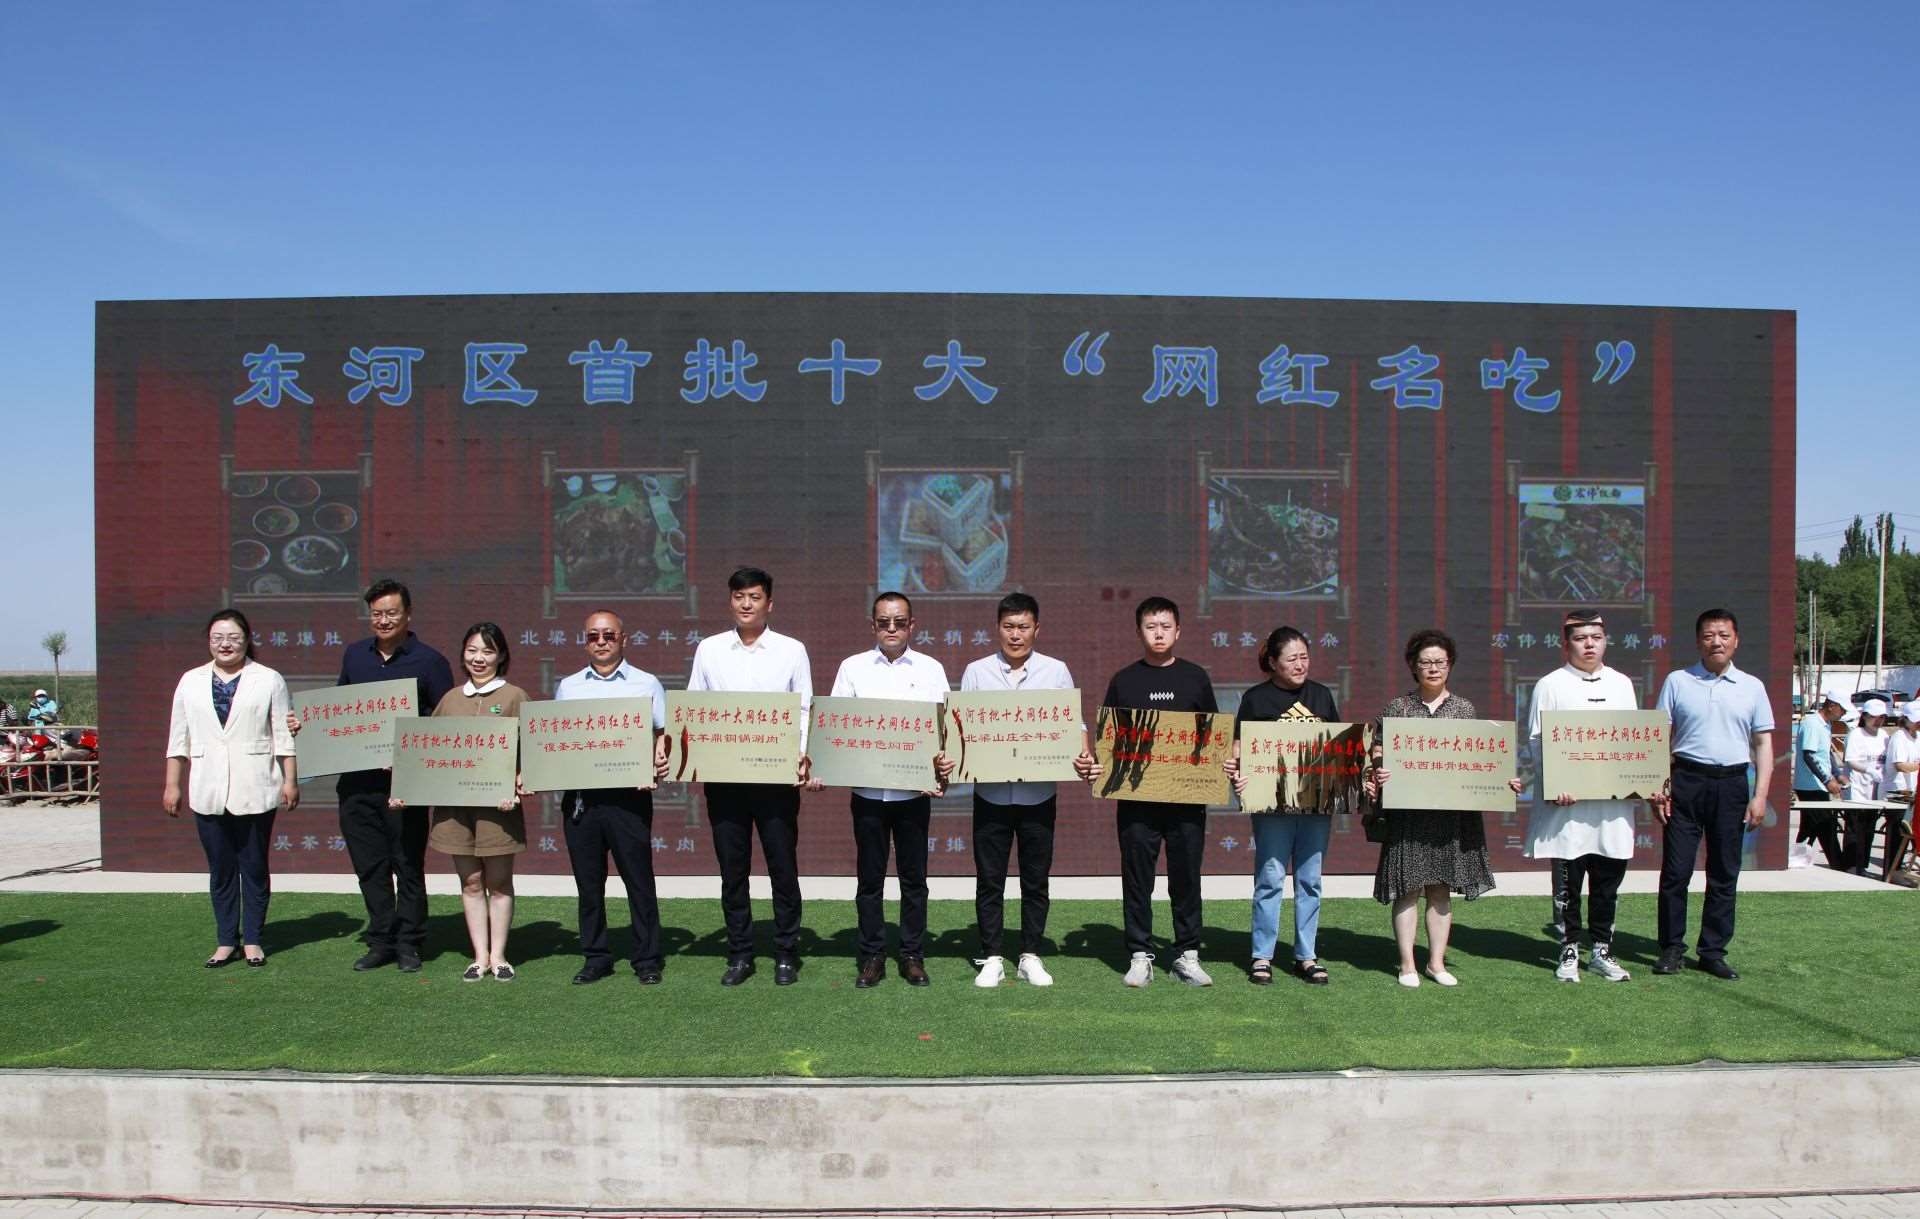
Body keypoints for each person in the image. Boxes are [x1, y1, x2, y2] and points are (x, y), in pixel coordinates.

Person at [961, 593, 1100, 989]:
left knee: (1035, 879)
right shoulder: (977, 672)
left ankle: (1030, 955)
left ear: (1037, 629)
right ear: (997, 628)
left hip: (1038, 794)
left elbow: (1074, 726)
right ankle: (992, 956)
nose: (1015, 635)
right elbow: (961, 727)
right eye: (1008, 627)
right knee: (990, 879)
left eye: (1023, 627)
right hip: (990, 794)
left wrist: (1084, 754)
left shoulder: (1055, 671)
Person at [687, 566, 812, 987]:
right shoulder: (709, 649)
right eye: (739, 596)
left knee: (782, 867)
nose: (746, 604)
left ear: (769, 603)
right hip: (724, 779)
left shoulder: (791, 650)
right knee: (732, 870)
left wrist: (800, 753)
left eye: (754, 597)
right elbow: (695, 708)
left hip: (775, 778)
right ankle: (740, 953)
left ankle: (785, 952)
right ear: (730, 601)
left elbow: (804, 708)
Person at [821, 592, 954, 988]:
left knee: (914, 880)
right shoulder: (853, 667)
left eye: (899, 622)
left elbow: (945, 729)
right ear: (873, 625)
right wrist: (824, 765)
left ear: (912, 625)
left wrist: (941, 770)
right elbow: (836, 726)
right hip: (868, 794)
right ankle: (872, 955)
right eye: (884, 622)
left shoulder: (931, 668)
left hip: (913, 795)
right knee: (869, 880)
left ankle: (912, 955)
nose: (891, 629)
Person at [1363, 629, 1503, 989]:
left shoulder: (1464, 710)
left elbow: (1478, 758)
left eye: (1440, 661)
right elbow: (1376, 749)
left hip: (1449, 815)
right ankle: (1407, 964)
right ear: (1413, 666)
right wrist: (1379, 768)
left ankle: (1436, 963)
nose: (1433, 668)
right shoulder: (1398, 708)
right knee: (1408, 888)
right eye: (1425, 662)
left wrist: (1502, 781)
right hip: (1408, 815)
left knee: (1440, 889)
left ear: (1450, 665)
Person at [163, 609, 298, 968]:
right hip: (207, 787)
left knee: (253, 866)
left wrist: (290, 779)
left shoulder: (268, 679)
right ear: (209, 641)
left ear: (247, 640)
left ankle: (252, 939)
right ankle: (226, 940)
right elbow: (178, 738)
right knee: (220, 869)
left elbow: (282, 734)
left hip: (256, 785)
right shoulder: (190, 681)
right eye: (218, 638)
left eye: (234, 638)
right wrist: (172, 784)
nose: (225, 644)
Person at [334, 579, 456, 973]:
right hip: (356, 783)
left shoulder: (430, 661)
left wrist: (408, 751)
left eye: (391, 613)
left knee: (407, 865)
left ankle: (409, 943)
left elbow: (445, 723)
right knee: (370, 867)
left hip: (405, 785)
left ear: (408, 614)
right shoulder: (355, 656)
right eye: (377, 614)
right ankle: (381, 940)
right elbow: (338, 711)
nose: (384, 620)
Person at [1096, 596, 1219, 988]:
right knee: (1137, 878)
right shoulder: (1124, 680)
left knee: (1187, 877)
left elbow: (1213, 736)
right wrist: (1099, 765)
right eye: (1151, 626)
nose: (1159, 633)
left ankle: (1187, 954)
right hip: (1137, 802)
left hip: (1186, 800)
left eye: (1166, 626)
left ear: (1178, 631)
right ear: (1139, 632)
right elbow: (1108, 740)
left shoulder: (1195, 678)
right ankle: (1139, 955)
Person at [1650, 608, 1774, 981]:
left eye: (1723, 635)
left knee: (1724, 873)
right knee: (1676, 872)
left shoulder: (1752, 686)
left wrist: (1760, 795)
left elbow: (1763, 744)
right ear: (1698, 641)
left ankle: (1713, 952)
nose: (1716, 642)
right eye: (1708, 635)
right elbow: (1659, 737)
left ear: (1736, 640)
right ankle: (1671, 948)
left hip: (1732, 784)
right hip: (1686, 780)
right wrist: (1659, 789)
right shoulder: (1678, 681)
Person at [400, 623, 529, 981]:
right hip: (456, 807)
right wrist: (404, 781)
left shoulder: (515, 696)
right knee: (470, 881)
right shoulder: (451, 699)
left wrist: (519, 780)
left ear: (501, 656)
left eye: (487, 651)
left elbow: (533, 750)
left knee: (499, 881)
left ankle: (499, 956)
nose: (478, 658)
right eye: (472, 650)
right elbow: (427, 749)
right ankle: (479, 956)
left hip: (499, 807)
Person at [555, 609, 672, 985]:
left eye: (609, 635)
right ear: (585, 641)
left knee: (639, 881)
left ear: (624, 639)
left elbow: (663, 735)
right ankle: (596, 957)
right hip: (582, 799)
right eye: (593, 636)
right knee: (589, 885)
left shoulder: (646, 683)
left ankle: (647, 958)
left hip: (629, 797)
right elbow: (555, 741)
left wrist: (657, 759)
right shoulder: (569, 687)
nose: (601, 642)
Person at [1523, 611, 1640, 984]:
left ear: (1605, 641)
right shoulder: (1550, 685)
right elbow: (1537, 741)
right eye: (1580, 638)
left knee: (1607, 884)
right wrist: (1555, 781)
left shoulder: (1622, 684)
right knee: (1568, 885)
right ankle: (1569, 949)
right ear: (1566, 643)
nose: (1589, 644)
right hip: (1568, 809)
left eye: (1596, 637)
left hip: (1612, 807)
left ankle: (1602, 950)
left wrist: (1641, 780)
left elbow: (1634, 740)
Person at [1225, 626, 1340, 987]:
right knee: (1270, 878)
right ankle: (1262, 955)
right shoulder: (1256, 699)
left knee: (1310, 881)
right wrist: (1236, 773)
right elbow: (1239, 749)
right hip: (1271, 808)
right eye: (1292, 659)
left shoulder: (1321, 695)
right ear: (1273, 662)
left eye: (1305, 657)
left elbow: (1338, 747)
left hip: (1315, 806)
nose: (1300, 664)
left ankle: (1306, 956)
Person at [1792, 692, 1851, 869]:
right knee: (1826, 824)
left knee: (1810, 825)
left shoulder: (1826, 725)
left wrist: (1837, 774)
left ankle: (1797, 858)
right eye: (1842, 710)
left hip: (1818, 784)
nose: (1843, 714)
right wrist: (1827, 780)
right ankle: (1838, 864)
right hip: (1810, 785)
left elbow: (1826, 753)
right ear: (1831, 706)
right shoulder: (1812, 723)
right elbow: (1809, 755)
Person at [1840, 698, 1890, 875]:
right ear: (1865, 716)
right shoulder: (1856, 734)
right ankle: (1851, 864)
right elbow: (1851, 761)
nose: (1878, 721)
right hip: (1857, 789)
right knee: (1855, 828)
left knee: (1869, 829)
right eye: (1874, 717)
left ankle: (1863, 865)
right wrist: (1868, 770)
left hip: (1875, 790)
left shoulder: (1884, 736)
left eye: (1881, 717)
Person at [1882, 703, 1920, 881]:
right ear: (1905, 719)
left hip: (1911, 791)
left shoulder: (1917, 736)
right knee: (1897, 833)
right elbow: (1900, 765)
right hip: (1896, 791)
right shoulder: (1899, 737)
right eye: (1916, 720)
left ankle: (1899, 868)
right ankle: (1892, 870)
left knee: (1909, 832)